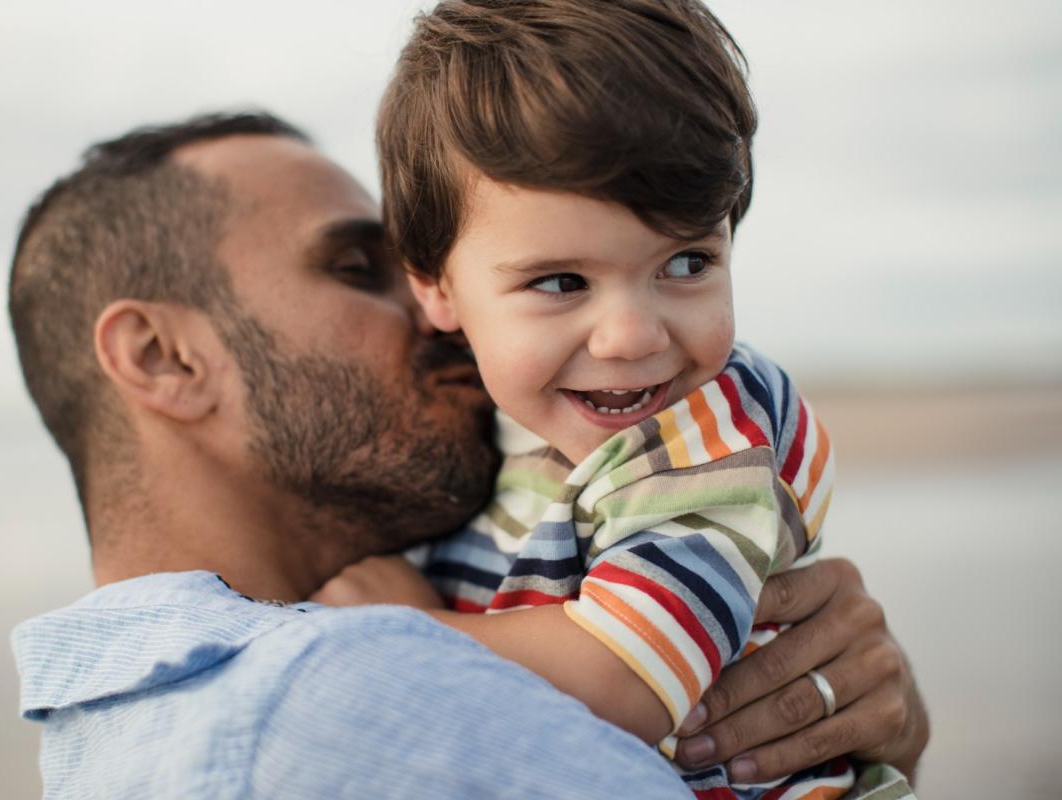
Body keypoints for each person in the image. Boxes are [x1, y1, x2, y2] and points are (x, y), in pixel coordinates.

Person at [8, 112, 928, 797]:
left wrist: (865, 738)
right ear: (163, 359)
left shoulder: (111, 733)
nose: (445, 314)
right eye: (360, 271)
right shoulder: (349, 696)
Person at [316, 1, 916, 797]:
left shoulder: (713, 430)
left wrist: (409, 628)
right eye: (561, 282)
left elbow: (628, 679)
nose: (632, 335)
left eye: (687, 263)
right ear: (433, 286)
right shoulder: (489, 419)